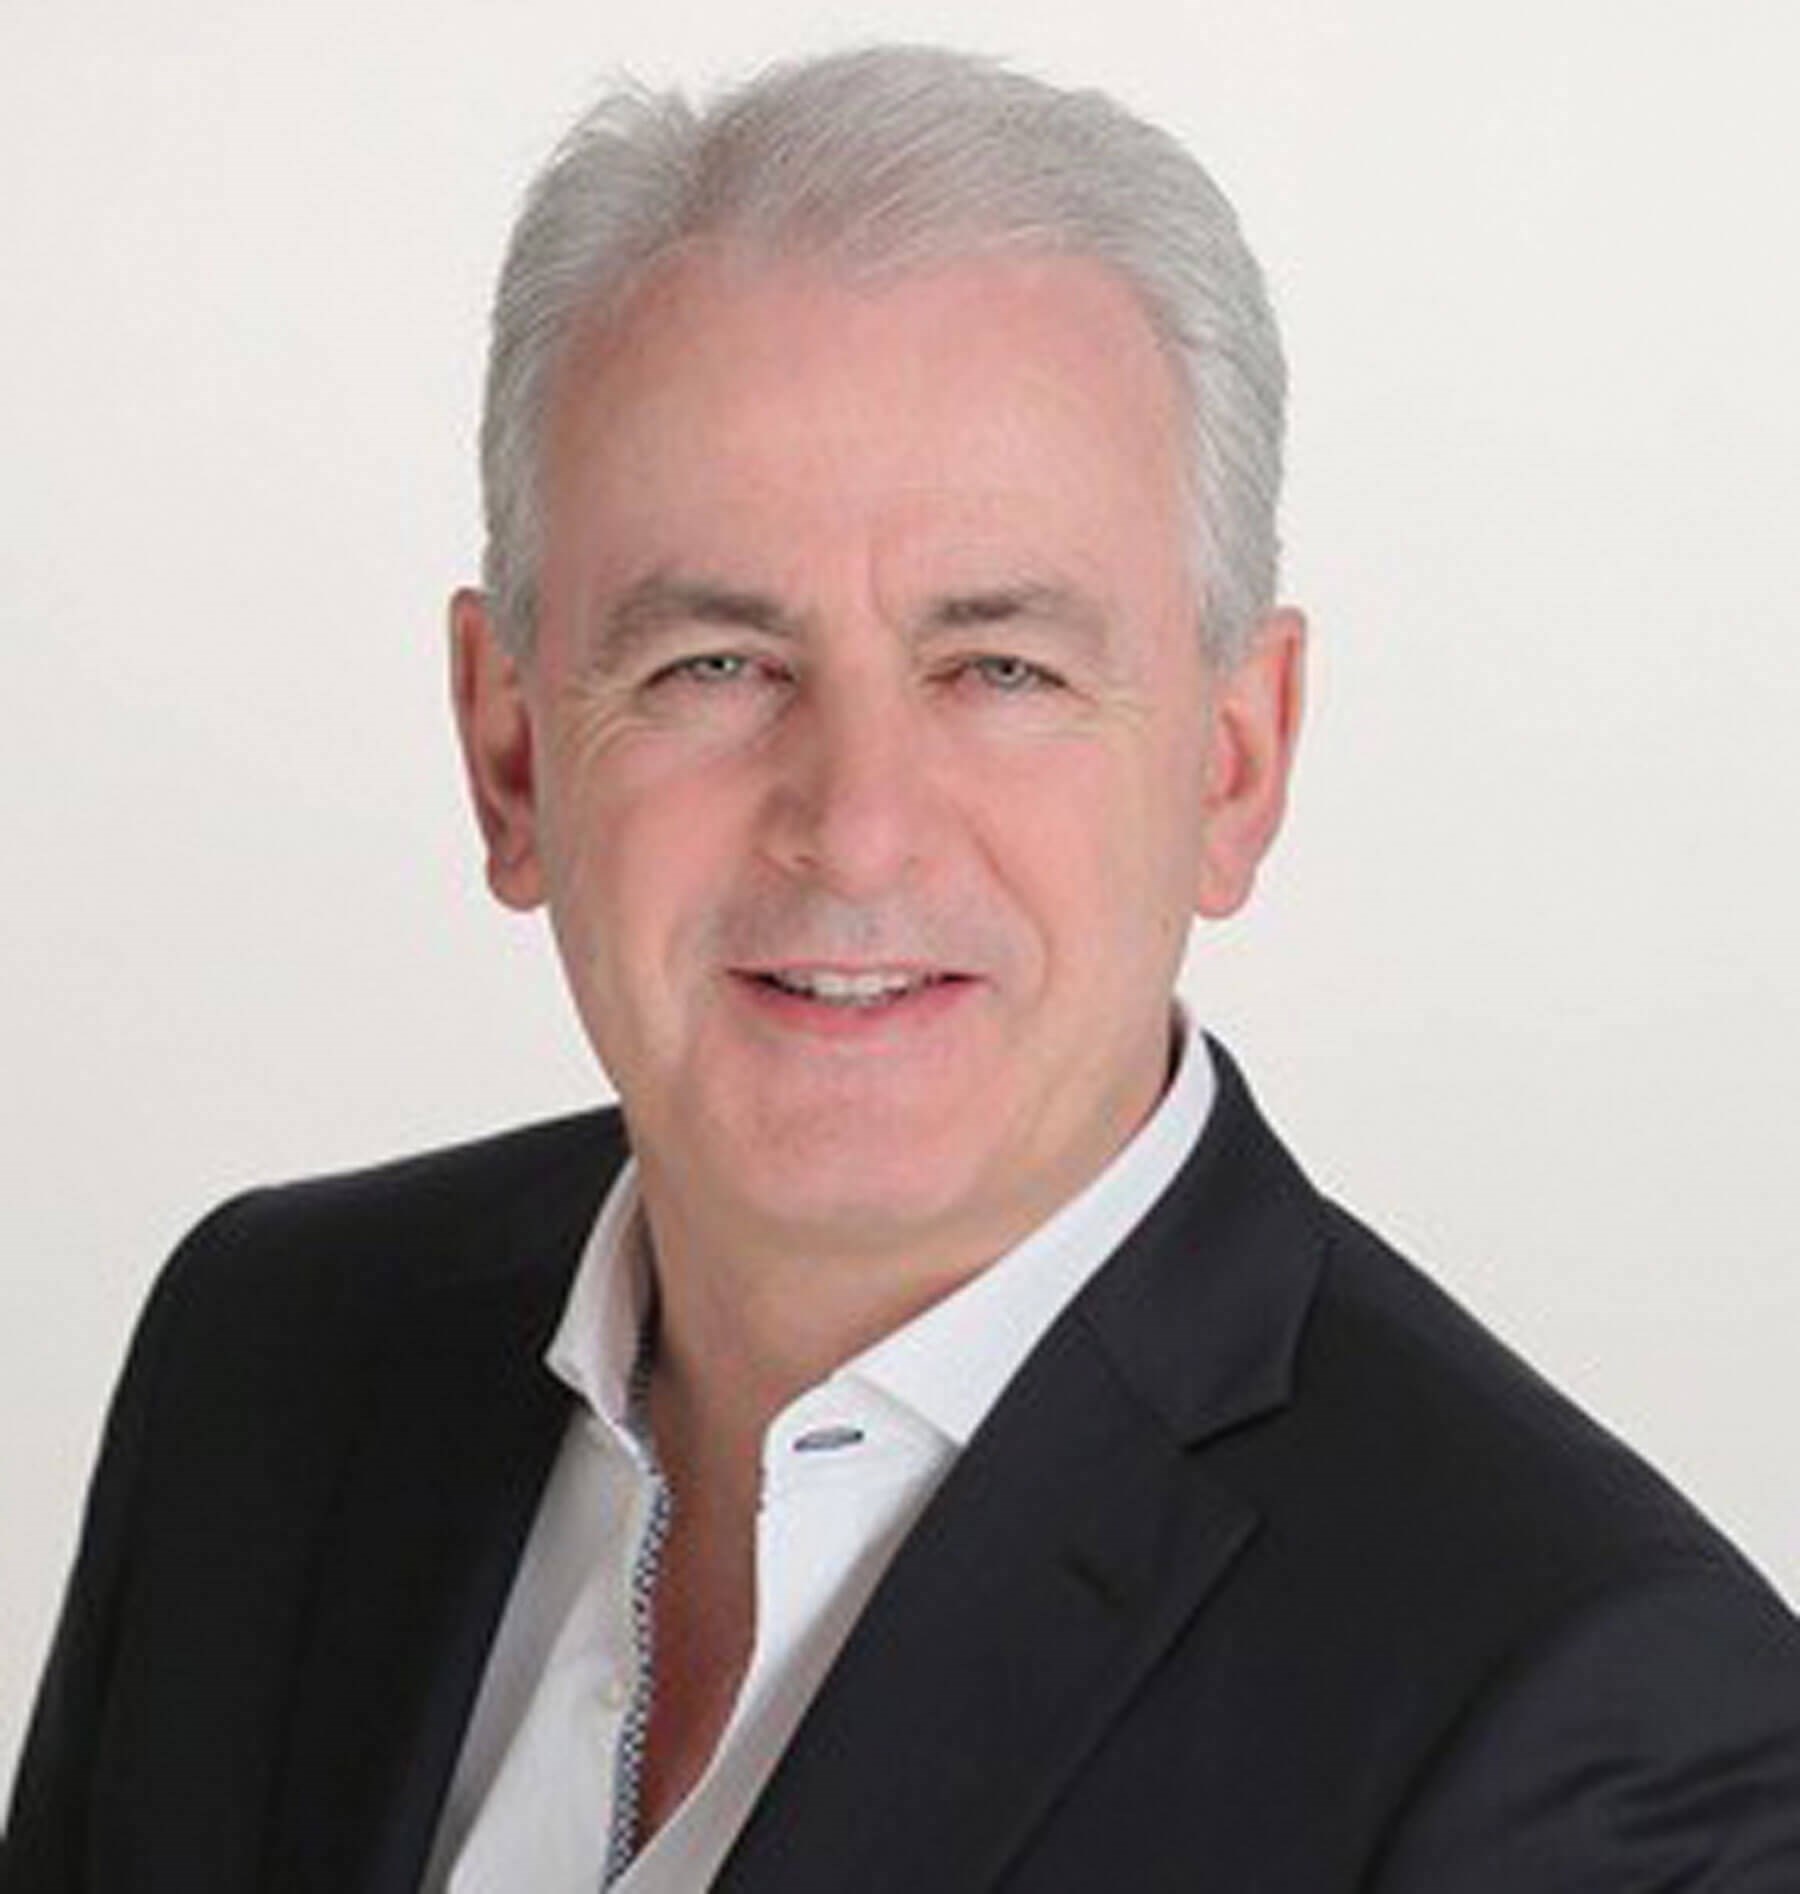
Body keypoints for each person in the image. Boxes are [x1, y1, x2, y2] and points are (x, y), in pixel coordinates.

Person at [5, 43, 1798, 1894]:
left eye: (1001, 669)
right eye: (715, 664)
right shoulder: (265, 1363)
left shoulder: (1589, 1724)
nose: (856, 830)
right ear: (511, 750)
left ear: (1235, 763)